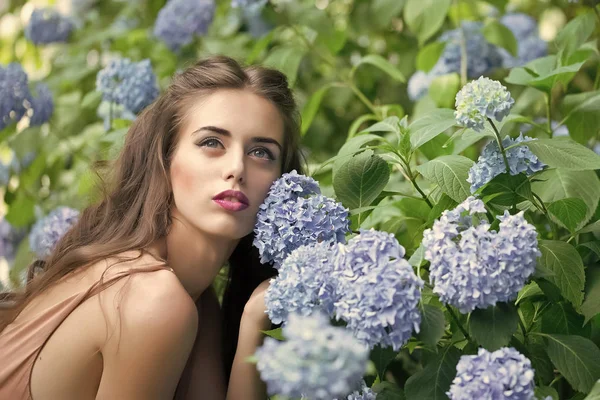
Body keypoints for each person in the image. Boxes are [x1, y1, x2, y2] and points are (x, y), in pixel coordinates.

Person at [0, 55, 305, 399]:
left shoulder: (197, 302)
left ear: (282, 181)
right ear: (165, 158)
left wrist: (253, 322)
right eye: (211, 143)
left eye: (261, 152)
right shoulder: (153, 300)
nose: (237, 168)